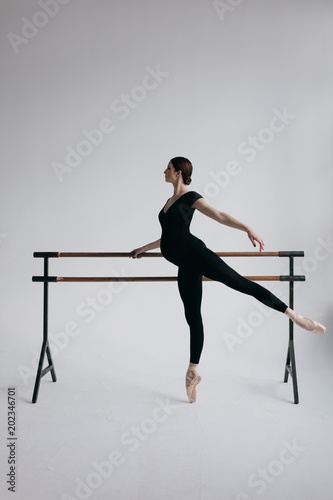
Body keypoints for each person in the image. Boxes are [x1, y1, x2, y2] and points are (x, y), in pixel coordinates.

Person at [130, 157, 326, 403]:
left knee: (241, 284)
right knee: (192, 316)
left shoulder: (191, 198)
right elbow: (168, 236)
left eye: (168, 168)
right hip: (184, 265)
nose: (164, 171)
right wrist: (143, 249)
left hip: (196, 255)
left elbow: (220, 215)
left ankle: (294, 315)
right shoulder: (168, 203)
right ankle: (193, 372)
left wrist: (247, 229)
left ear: (178, 173)